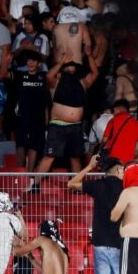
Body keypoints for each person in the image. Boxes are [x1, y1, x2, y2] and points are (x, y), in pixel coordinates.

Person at [69, 155, 128, 274]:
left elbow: (71, 183)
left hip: (100, 243)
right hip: (120, 243)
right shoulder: (127, 189)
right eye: (123, 170)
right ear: (118, 170)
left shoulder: (98, 184)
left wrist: (89, 166)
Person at [31, 51, 99, 189]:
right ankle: (35, 185)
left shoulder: (82, 83)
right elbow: (49, 75)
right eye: (68, 66)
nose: (70, 67)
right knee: (49, 156)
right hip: (57, 126)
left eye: (73, 66)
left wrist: (90, 56)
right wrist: (61, 61)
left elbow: (95, 74)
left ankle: (76, 187)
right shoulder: (56, 81)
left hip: (75, 127)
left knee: (75, 158)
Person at [100, 99, 138, 165]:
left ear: (117, 108)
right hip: (128, 163)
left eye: (113, 110)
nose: (113, 113)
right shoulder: (137, 124)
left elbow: (104, 139)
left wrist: (100, 148)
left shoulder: (113, 121)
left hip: (113, 162)